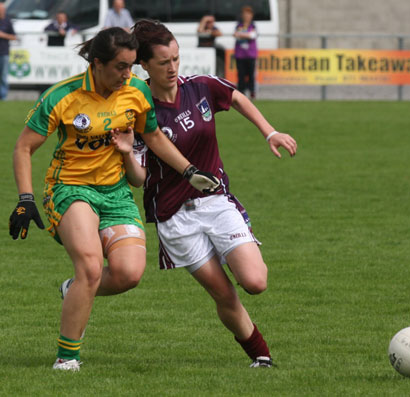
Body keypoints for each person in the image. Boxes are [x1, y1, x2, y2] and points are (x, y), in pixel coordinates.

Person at [8, 27, 219, 372]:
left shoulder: (136, 92)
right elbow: (24, 147)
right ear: (97, 64)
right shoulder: (63, 96)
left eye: (133, 66)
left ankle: (73, 290)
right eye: (121, 67)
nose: (128, 74)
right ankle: (67, 358)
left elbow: (152, 136)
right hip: (70, 188)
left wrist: (188, 170)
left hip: (116, 192)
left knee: (128, 274)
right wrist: (26, 198)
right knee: (90, 267)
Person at [121, 19, 297, 368]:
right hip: (174, 217)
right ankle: (260, 356)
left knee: (255, 281)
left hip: (216, 203)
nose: (172, 67)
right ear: (144, 65)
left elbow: (237, 97)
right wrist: (126, 150)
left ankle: (233, 252)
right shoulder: (139, 110)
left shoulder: (199, 87)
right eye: (163, 62)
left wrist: (269, 132)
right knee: (223, 292)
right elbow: (139, 180)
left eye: (176, 58)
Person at [233, 6, 258, 99]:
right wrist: (244, 35)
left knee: (251, 74)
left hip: (250, 54)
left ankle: (252, 91)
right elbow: (235, 35)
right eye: (245, 14)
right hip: (240, 54)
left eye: (248, 14)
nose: (246, 16)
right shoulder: (239, 25)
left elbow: (252, 35)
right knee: (241, 74)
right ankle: (241, 92)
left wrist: (241, 35)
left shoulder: (253, 26)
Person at [0, 2, 16, 100]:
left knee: (3, 76)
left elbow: (14, 37)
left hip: (4, 53)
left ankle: (3, 97)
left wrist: (3, 35)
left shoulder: (7, 21)